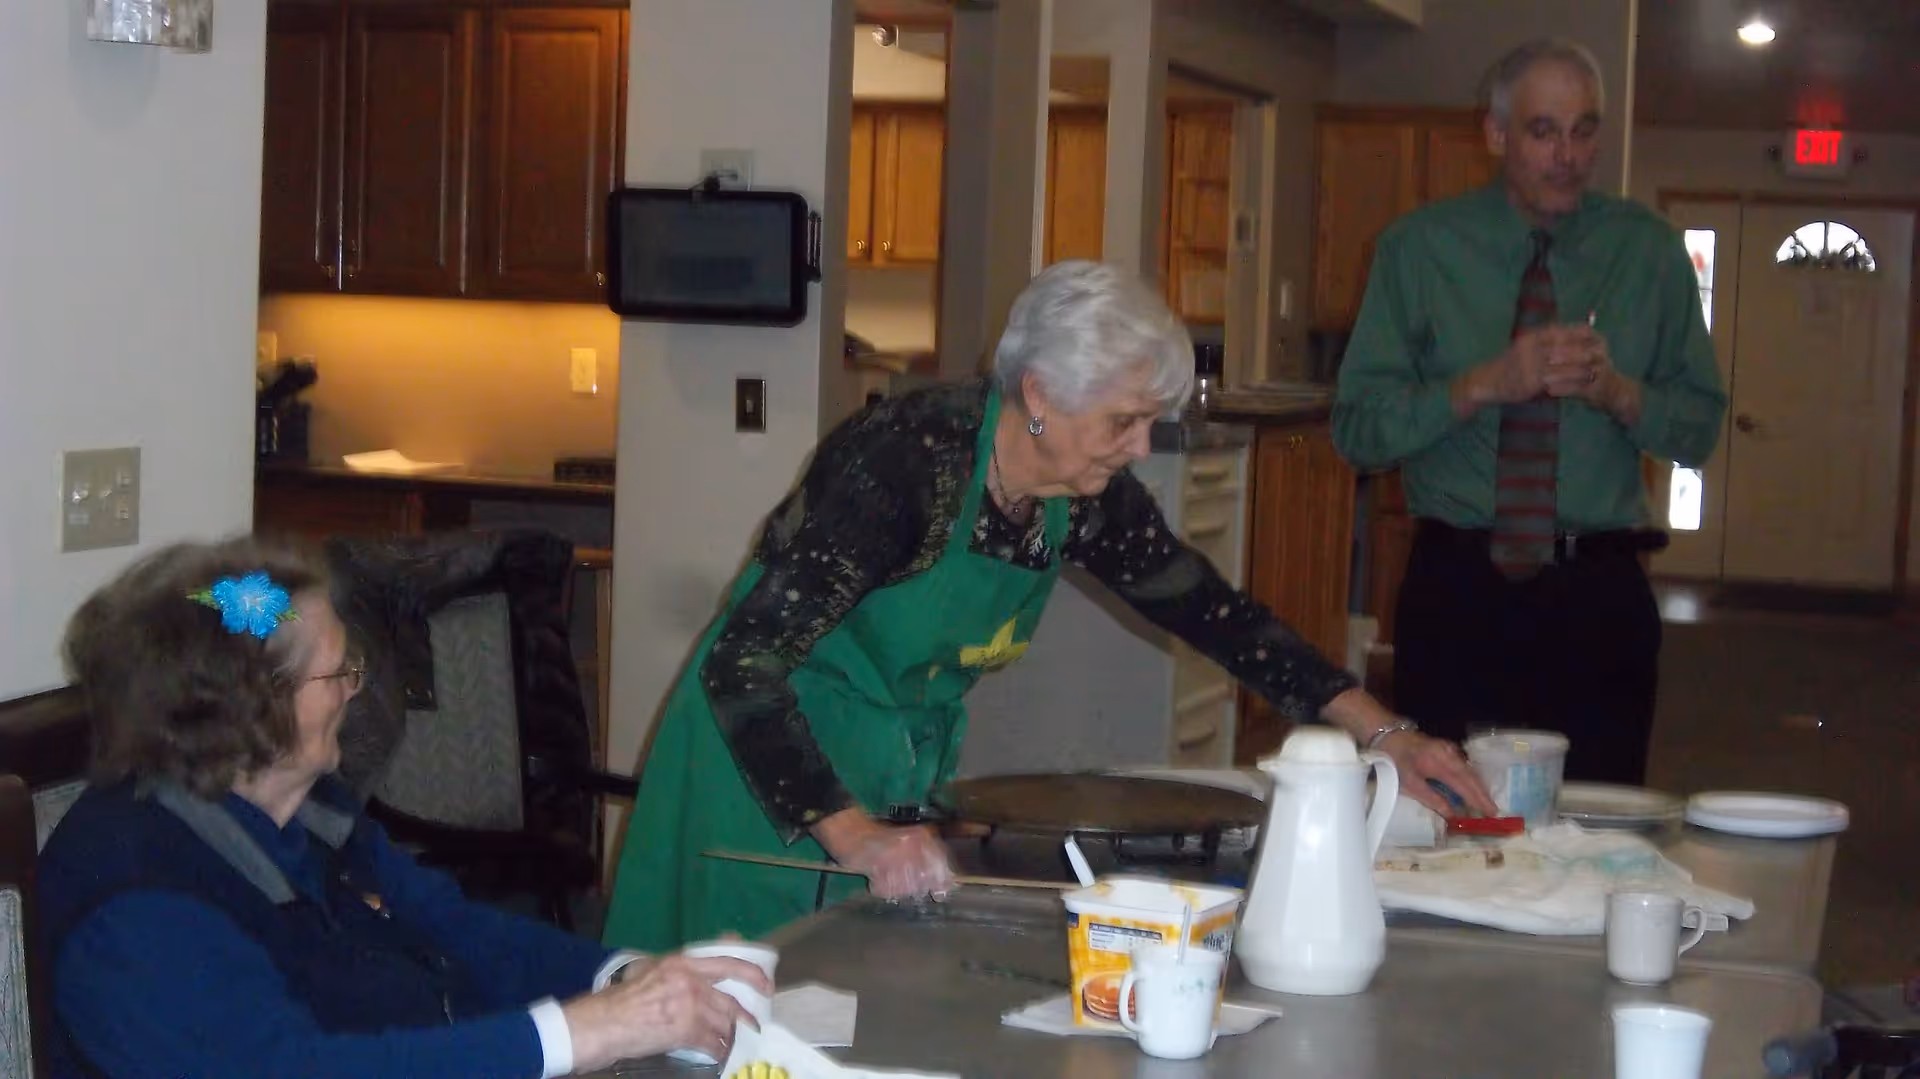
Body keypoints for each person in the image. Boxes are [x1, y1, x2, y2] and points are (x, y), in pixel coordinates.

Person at [603, 260, 1496, 953]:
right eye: (1124, 421)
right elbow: (745, 664)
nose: (1142, 445)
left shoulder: (1084, 491)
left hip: (888, 764)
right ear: (1038, 397)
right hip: (761, 776)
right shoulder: (904, 466)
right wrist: (855, 835)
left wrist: (1386, 733)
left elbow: (1215, 614)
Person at [37, 538, 770, 1079]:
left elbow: (458, 928)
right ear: (254, 708)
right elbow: (294, 1070)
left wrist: (629, 976)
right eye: (340, 672)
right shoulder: (137, 902)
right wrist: (578, 1034)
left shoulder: (312, 813)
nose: (356, 691)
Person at [1331, 39, 1727, 785]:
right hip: (1460, 587)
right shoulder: (1419, 251)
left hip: (1598, 590)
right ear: (1496, 134)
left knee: (1599, 819)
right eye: (1545, 131)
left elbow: (1700, 429)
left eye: (1585, 131)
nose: (1568, 155)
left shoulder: (1648, 252)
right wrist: (1483, 384)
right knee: (1448, 811)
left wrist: (1618, 393)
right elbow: (1359, 431)